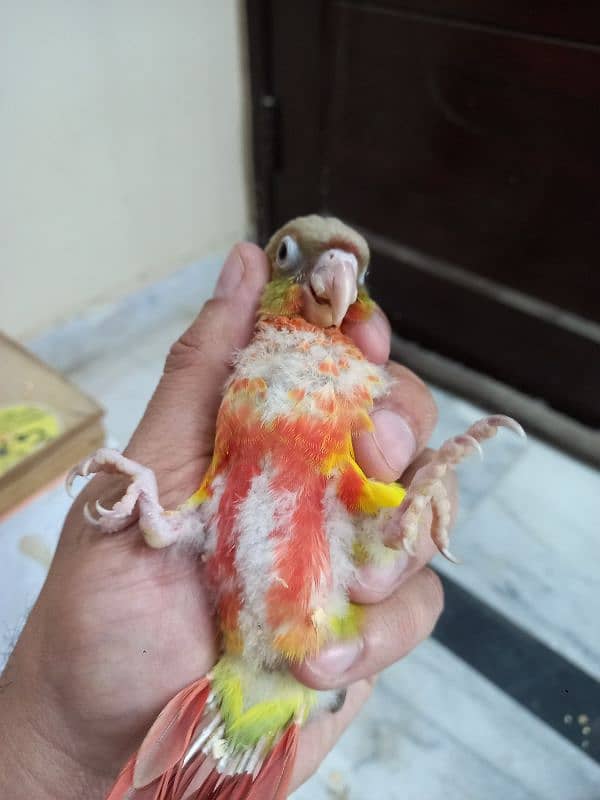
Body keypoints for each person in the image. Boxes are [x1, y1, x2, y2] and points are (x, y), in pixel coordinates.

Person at [0, 243, 453, 798]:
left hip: (296, 656)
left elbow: (355, 496)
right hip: (234, 657)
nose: (332, 274)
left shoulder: (349, 385)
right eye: (291, 255)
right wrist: (156, 509)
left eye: (354, 270)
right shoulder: (242, 381)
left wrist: (404, 511)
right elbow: (215, 496)